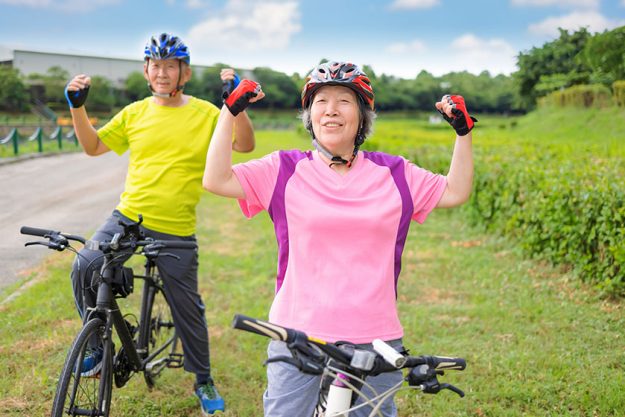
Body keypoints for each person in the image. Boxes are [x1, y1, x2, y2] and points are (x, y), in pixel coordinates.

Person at [202, 61, 475, 417]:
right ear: (310, 116)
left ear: (362, 116)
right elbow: (216, 179)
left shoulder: (394, 173)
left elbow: (455, 191)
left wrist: (463, 134)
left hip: (376, 337)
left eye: (344, 101)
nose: (331, 109)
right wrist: (230, 111)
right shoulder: (283, 169)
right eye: (321, 101)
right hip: (297, 333)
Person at [64, 32, 255, 415]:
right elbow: (93, 147)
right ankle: (98, 347)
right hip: (128, 217)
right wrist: (77, 108)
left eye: (170, 65)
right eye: (155, 65)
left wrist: (236, 107)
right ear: (146, 71)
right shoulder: (135, 112)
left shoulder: (203, 112)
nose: (162, 72)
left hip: (175, 227)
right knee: (84, 264)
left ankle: (203, 380)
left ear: (183, 72)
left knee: (188, 309)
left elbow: (245, 145)